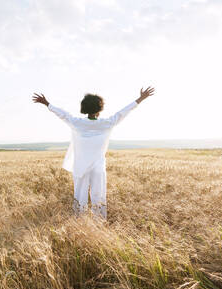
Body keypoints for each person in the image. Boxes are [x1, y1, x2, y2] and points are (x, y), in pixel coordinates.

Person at [32, 87, 155, 219]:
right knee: (99, 195)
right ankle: (100, 220)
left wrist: (47, 103)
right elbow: (123, 112)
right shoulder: (107, 123)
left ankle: (79, 220)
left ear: (84, 108)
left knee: (79, 195)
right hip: (98, 167)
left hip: (80, 167)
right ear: (99, 109)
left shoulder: (77, 123)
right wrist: (141, 98)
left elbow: (62, 114)